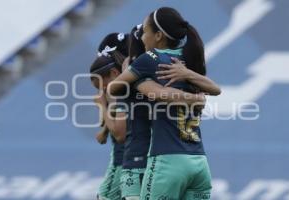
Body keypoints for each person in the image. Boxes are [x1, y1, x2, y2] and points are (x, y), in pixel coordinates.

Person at [108, 7, 221, 200]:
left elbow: (113, 88)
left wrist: (135, 77)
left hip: (168, 161)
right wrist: (190, 80)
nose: (142, 37)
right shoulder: (190, 59)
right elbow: (216, 90)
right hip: (199, 162)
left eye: (145, 31)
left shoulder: (150, 59)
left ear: (158, 35)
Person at [91, 32, 128, 200]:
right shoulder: (143, 79)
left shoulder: (123, 87)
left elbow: (120, 133)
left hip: (125, 159)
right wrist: (105, 130)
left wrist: (101, 106)